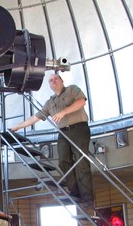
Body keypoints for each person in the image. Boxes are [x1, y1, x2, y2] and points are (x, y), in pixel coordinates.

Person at [10, 73, 94, 207]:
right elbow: (35, 117)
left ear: (62, 80)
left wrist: (63, 112)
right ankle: (75, 192)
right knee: (63, 161)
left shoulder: (72, 89)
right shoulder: (50, 102)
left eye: (56, 78)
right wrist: (18, 127)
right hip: (63, 132)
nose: (53, 81)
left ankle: (87, 198)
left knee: (80, 161)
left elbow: (81, 102)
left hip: (79, 128)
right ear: (49, 85)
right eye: (50, 80)